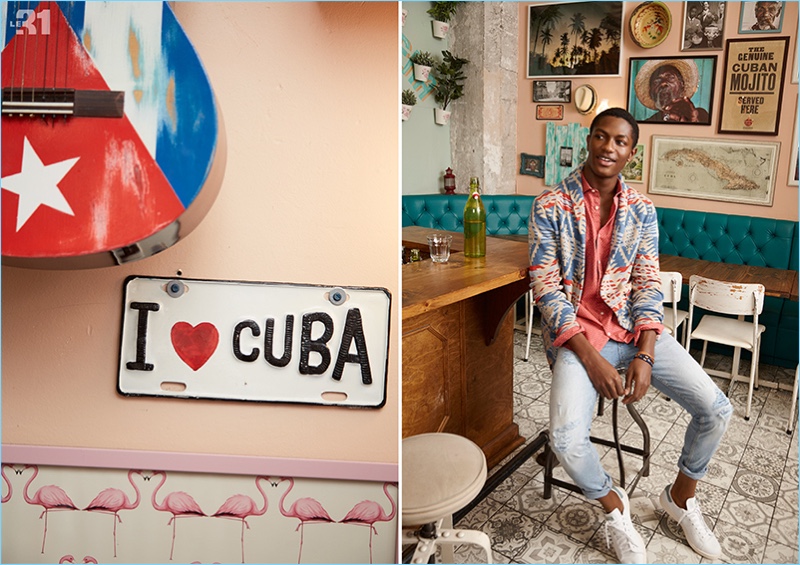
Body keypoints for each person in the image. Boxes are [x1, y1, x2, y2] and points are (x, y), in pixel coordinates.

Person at [528, 107, 731, 564]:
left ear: (630, 153)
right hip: (577, 338)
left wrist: (645, 353)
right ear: (589, 140)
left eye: (620, 141)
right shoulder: (550, 204)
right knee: (565, 440)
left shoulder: (641, 209)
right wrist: (592, 358)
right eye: (601, 137)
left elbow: (647, 282)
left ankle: (679, 499)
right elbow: (546, 288)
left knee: (717, 408)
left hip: (631, 331)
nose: (608, 147)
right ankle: (615, 507)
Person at [633, 59, 709, 123]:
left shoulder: (700, 115)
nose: (663, 83)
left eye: (670, 78)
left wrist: (694, 122)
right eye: (656, 81)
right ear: (652, 93)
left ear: (682, 85)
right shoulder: (648, 123)